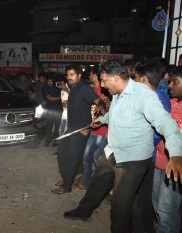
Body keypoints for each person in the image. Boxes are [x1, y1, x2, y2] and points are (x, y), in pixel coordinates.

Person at [63, 60, 182, 233]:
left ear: (116, 78)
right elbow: (115, 113)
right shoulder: (118, 92)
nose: (102, 85)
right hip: (113, 152)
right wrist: (101, 121)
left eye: (104, 80)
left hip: (133, 160)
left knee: (120, 207)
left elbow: (166, 122)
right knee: (97, 185)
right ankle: (83, 211)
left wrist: (176, 154)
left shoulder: (143, 95)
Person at [52, 65, 106, 194]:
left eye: (72, 74)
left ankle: (67, 186)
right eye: (67, 75)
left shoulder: (84, 88)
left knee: (72, 158)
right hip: (70, 129)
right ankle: (67, 178)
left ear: (79, 75)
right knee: (62, 154)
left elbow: (99, 101)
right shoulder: (74, 87)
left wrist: (102, 106)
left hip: (80, 130)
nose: (69, 77)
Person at [132, 61, 171, 233]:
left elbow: (157, 133)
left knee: (151, 202)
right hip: (148, 156)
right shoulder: (145, 96)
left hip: (148, 155)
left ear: (144, 80)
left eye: (135, 78)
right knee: (146, 199)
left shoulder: (158, 100)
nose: (133, 82)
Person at [152, 66, 182, 233]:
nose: (170, 85)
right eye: (169, 81)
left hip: (175, 166)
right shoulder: (170, 103)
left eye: (175, 82)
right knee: (158, 205)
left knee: (166, 211)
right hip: (160, 160)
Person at [75, 66, 110, 190]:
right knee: (88, 156)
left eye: (90, 74)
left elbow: (106, 113)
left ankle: (100, 184)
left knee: (95, 157)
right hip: (93, 129)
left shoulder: (104, 92)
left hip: (101, 131)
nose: (89, 76)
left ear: (95, 75)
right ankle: (87, 181)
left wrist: (106, 105)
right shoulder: (93, 91)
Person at [42, 75, 62, 147]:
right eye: (49, 81)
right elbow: (50, 98)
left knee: (57, 127)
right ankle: (47, 142)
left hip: (58, 110)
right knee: (48, 127)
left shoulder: (57, 87)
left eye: (51, 81)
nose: (50, 82)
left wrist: (61, 89)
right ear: (46, 81)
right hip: (50, 111)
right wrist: (60, 97)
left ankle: (55, 141)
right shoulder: (45, 88)